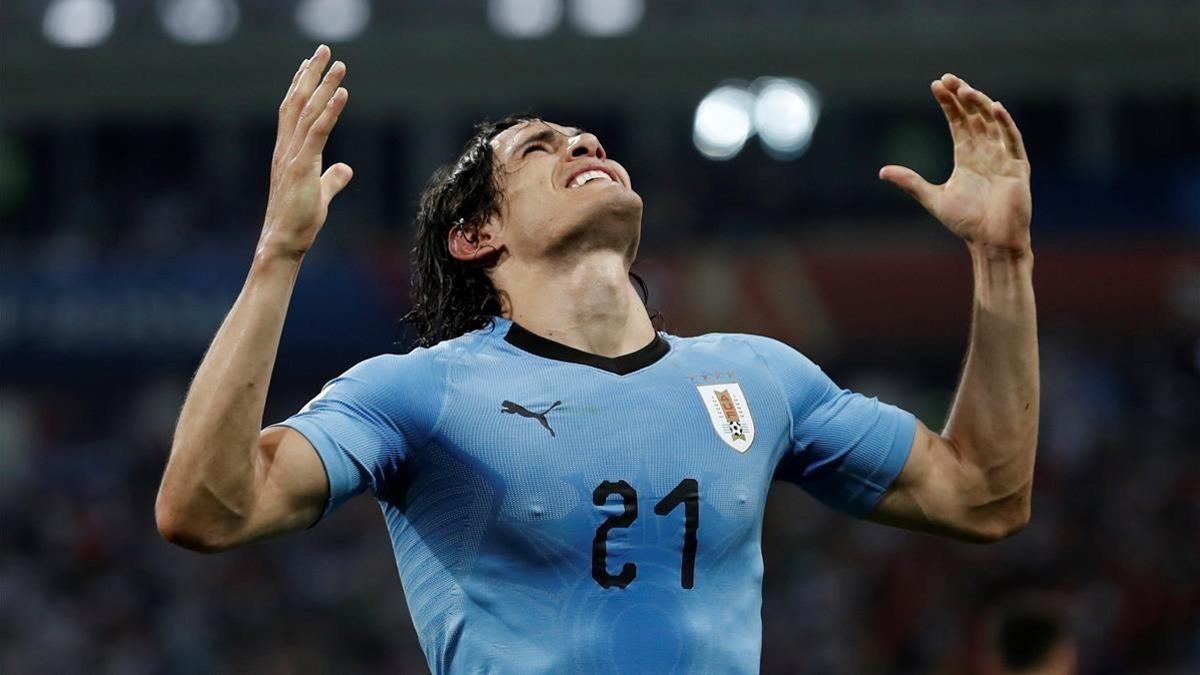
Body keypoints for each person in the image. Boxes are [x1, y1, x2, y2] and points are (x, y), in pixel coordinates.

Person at [155, 44, 1038, 673]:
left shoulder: (759, 376)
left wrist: (1003, 263)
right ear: (476, 234)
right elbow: (207, 509)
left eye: (586, 139)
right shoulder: (419, 391)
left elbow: (984, 494)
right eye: (539, 148)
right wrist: (278, 255)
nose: (583, 146)